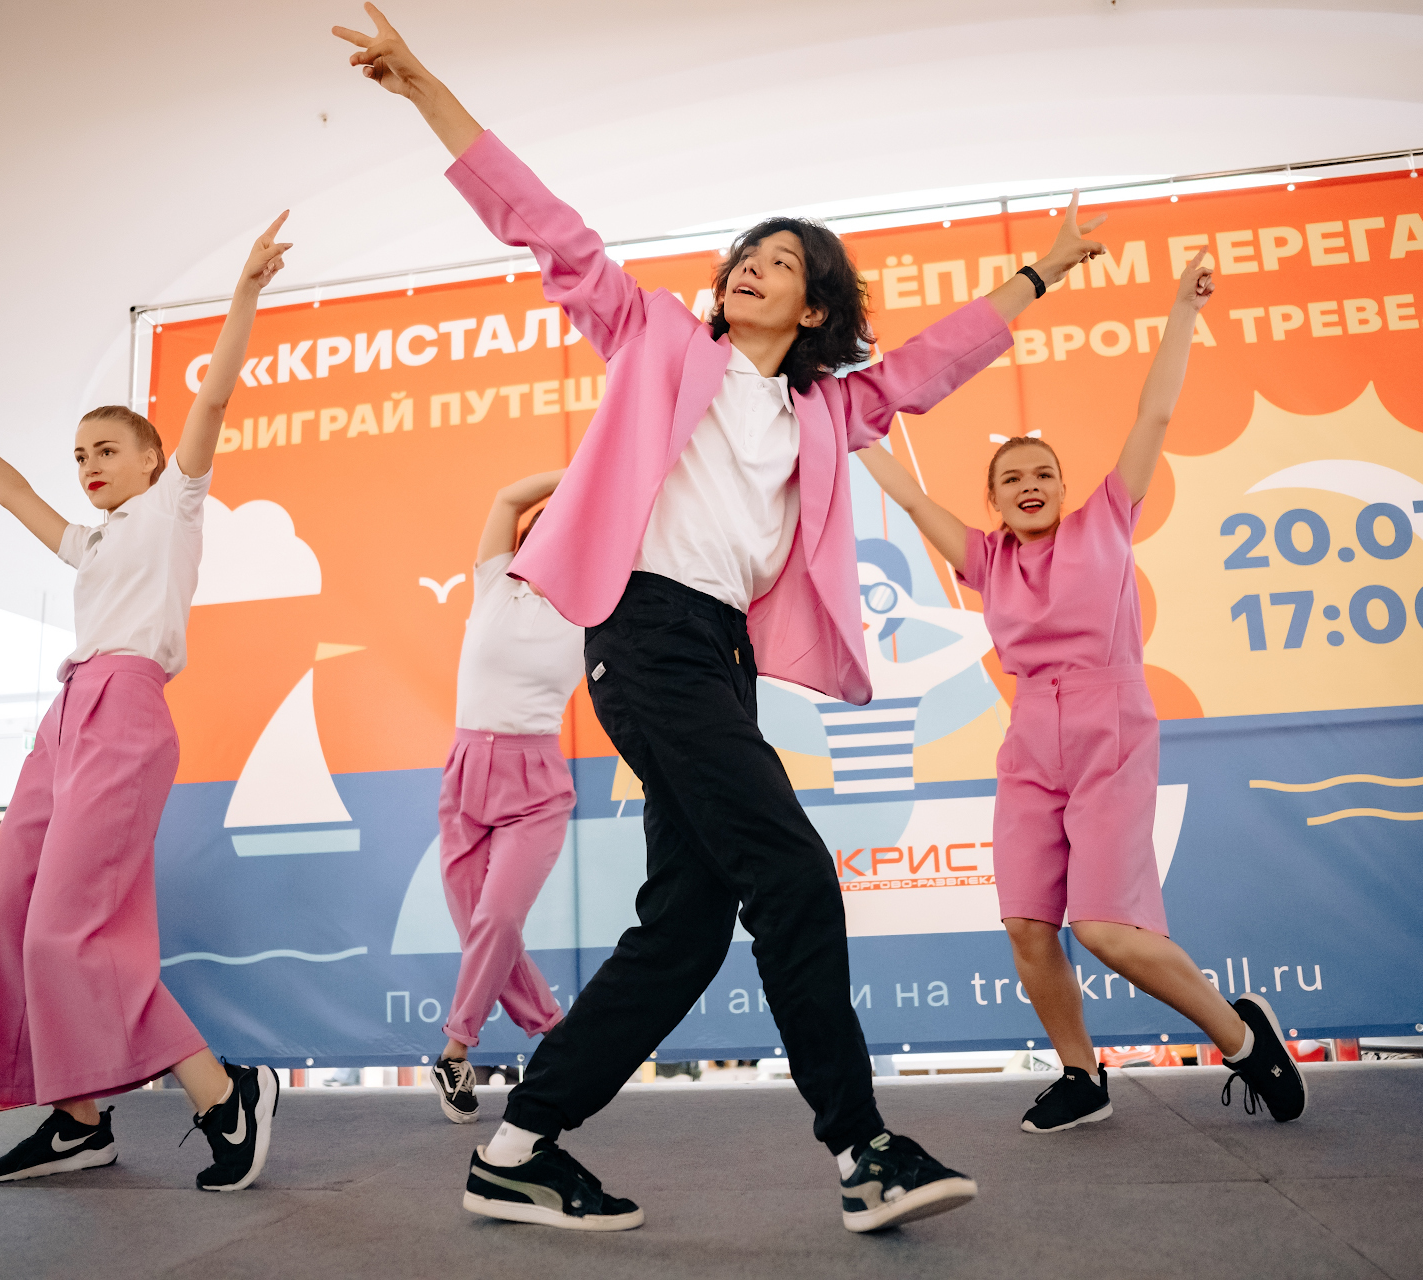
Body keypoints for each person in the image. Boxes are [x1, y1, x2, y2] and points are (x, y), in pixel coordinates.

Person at [334, 4, 1106, 1233]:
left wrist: (1043, 271)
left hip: (720, 655)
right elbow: (545, 224)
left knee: (687, 929)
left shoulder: (824, 409)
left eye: (782, 261)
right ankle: (862, 1145)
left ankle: (518, 1147)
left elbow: (929, 366)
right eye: (747, 252)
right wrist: (427, 90)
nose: (751, 263)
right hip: (645, 638)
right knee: (791, 870)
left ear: (813, 310)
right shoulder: (653, 338)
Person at [854, 250, 1308, 1132]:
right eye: (1011, 479)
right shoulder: (985, 559)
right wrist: (845, 416)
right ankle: (1081, 1075)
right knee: (1028, 925)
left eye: (1042, 475)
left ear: (1065, 488)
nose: (1029, 486)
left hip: (1111, 729)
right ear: (993, 500)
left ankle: (1243, 1038)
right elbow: (906, 495)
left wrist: (1183, 310)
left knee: (1103, 928)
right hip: (1031, 741)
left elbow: (1155, 410)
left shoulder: (1106, 518)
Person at [0, 215, 295, 1191]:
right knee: (10, 913)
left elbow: (213, 395)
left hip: (124, 710)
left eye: (108, 448)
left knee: (68, 931)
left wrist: (244, 292)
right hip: (66, 716)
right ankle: (78, 1119)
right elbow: (13, 496)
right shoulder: (92, 543)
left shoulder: (173, 507)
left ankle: (222, 1093)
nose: (88, 463)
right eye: (80, 452)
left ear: (153, 461)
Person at [429, 469, 579, 1125]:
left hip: (536, 785)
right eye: (545, 531)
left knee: (495, 920)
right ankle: (558, 1035)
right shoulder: (494, 582)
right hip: (465, 773)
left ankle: (454, 1050)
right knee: (484, 932)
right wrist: (582, 474)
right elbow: (507, 498)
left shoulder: (593, 613)